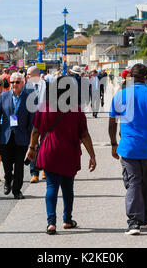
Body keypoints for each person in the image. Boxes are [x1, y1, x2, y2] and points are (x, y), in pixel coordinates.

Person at [25, 76, 97, 235]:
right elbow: (84, 135)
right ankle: (67, 219)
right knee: (67, 187)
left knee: (51, 186)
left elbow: (36, 131)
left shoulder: (44, 107)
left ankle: (51, 223)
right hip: (69, 152)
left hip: (49, 150)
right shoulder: (76, 109)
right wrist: (92, 155)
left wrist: (31, 148)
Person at [109, 64, 147, 235]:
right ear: (146, 77)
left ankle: (134, 221)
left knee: (134, 182)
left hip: (128, 147)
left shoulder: (120, 95)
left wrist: (113, 144)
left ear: (130, 77)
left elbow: (112, 123)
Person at [0, 72, 34, 200]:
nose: (14, 85)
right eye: (12, 82)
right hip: (6, 136)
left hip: (22, 137)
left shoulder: (29, 98)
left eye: (17, 82)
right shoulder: (3, 96)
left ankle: (17, 190)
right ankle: (7, 180)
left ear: (23, 83)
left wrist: (32, 141)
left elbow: (32, 122)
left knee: (19, 165)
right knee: (6, 163)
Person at [25, 66, 46, 183]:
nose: (27, 76)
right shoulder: (26, 87)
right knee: (33, 145)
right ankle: (34, 173)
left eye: (29, 74)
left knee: (44, 143)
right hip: (32, 120)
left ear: (36, 75)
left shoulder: (47, 85)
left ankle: (45, 169)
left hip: (44, 118)